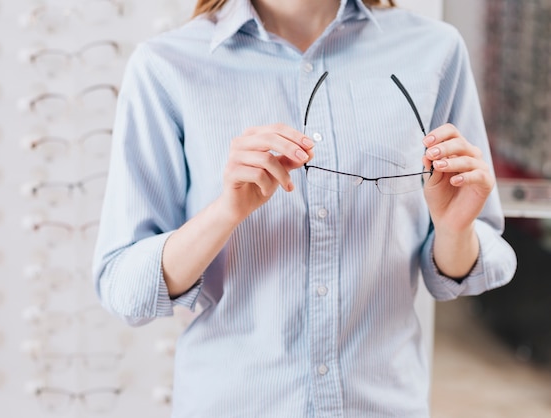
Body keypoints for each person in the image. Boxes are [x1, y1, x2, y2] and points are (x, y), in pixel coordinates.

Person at [92, 0, 517, 416]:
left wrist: (454, 230)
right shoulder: (166, 65)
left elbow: (464, 269)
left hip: (383, 404)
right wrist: (226, 212)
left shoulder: (433, 50)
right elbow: (125, 289)